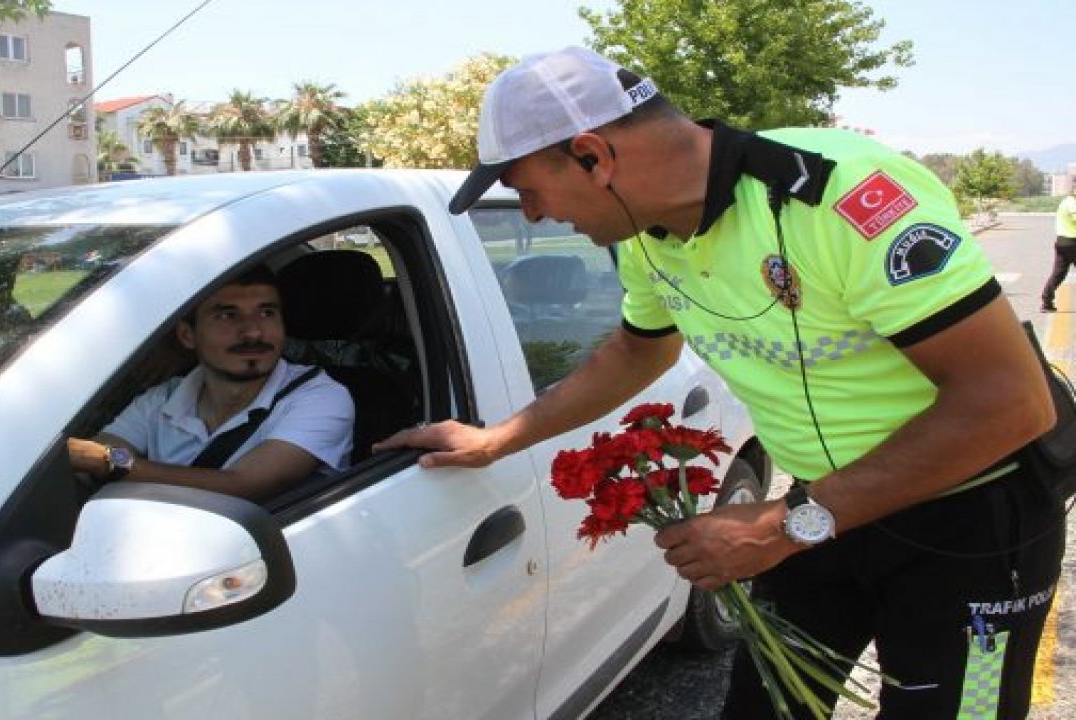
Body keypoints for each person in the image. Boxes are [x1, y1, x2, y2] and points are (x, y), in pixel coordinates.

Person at [376, 46, 1065, 719]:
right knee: (764, 702)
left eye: (527, 190)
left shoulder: (843, 192)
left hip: (974, 513)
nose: (530, 213)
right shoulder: (647, 230)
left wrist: (783, 527)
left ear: (593, 155)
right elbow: (634, 352)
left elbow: (1009, 404)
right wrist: (499, 439)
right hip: (825, 509)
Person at [70, 265, 354, 502]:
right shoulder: (164, 397)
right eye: (227, 315)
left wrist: (107, 461)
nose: (253, 331)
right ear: (187, 336)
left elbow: (244, 486)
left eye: (267, 312)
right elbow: (103, 449)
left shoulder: (320, 397)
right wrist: (102, 457)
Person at [1041, 184, 1076, 312]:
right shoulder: (1072, 203)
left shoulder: (1066, 201)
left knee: (1058, 274)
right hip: (1072, 242)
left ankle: (1046, 302)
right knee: (1058, 274)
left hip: (1062, 242)